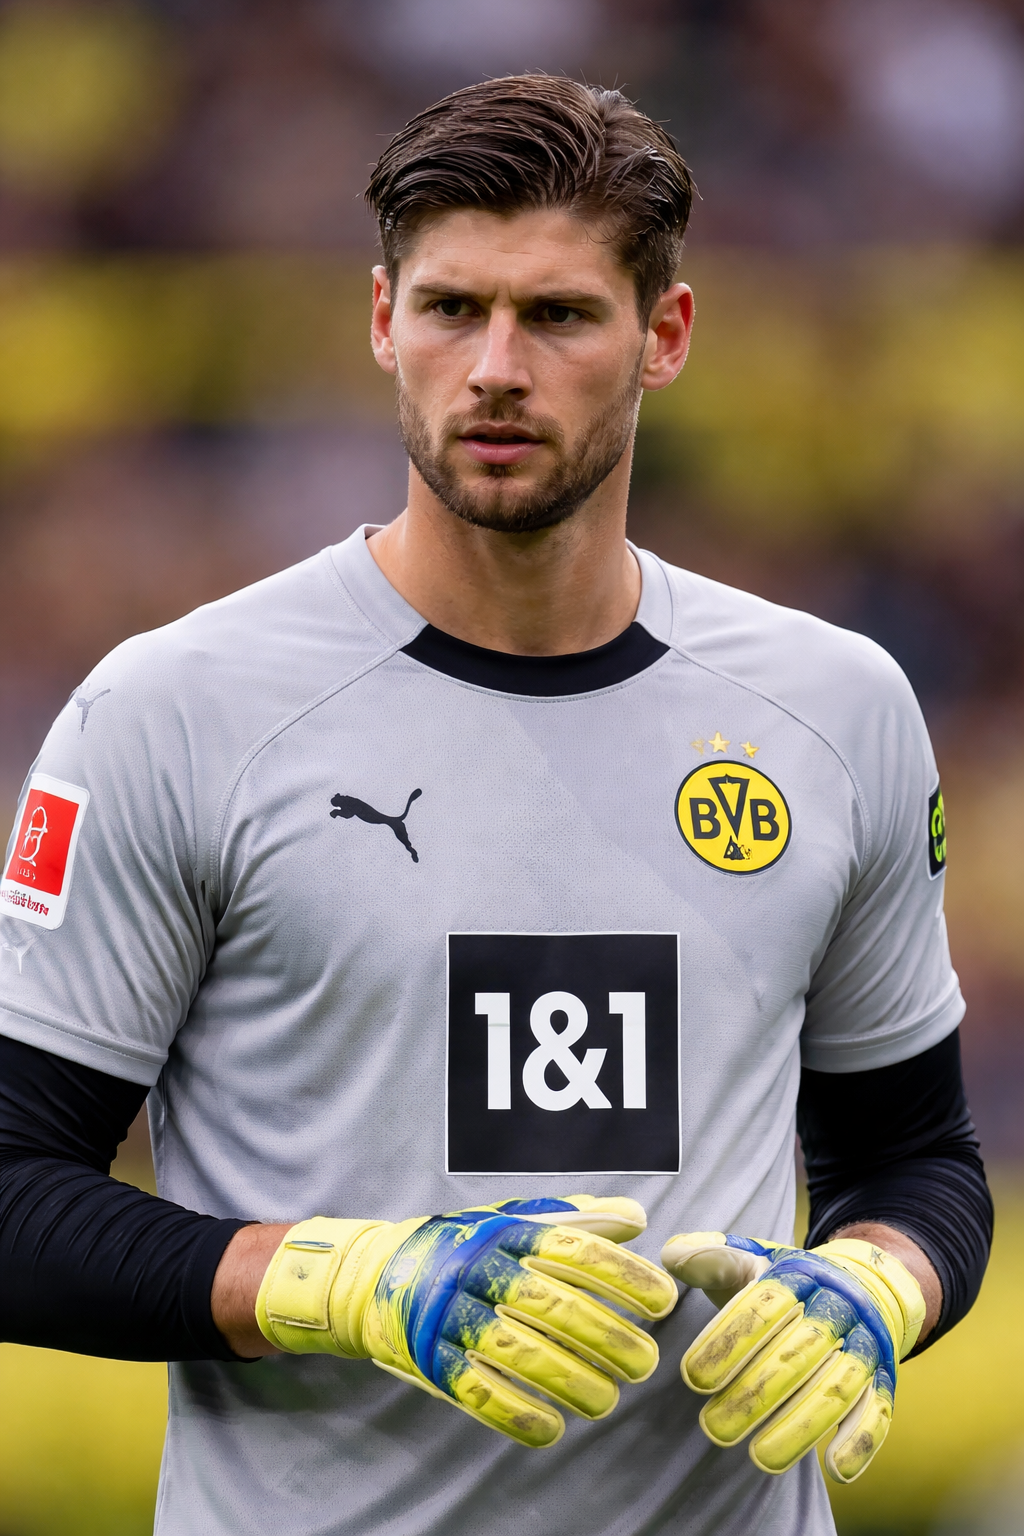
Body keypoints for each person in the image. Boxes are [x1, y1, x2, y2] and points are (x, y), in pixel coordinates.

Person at [0, 75, 991, 1536]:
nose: (497, 370)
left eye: (561, 316)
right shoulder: (174, 711)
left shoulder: (837, 711)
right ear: (382, 320)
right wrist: (344, 1281)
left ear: (666, 336)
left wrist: (873, 1287)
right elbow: (15, 1193)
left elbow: (916, 1161)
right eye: (454, 309)